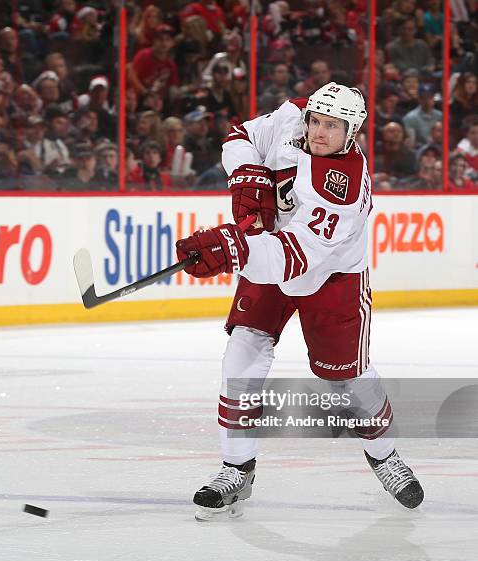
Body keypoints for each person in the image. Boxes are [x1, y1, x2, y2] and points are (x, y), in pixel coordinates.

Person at [176, 83, 425, 520]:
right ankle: (236, 468)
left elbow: (296, 257)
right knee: (241, 355)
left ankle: (384, 454)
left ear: (352, 132)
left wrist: (234, 249)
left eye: (332, 126)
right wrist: (247, 173)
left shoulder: (342, 185)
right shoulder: (292, 116)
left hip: (330, 275)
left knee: (348, 378)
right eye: (316, 120)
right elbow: (239, 137)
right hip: (270, 257)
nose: (319, 131)